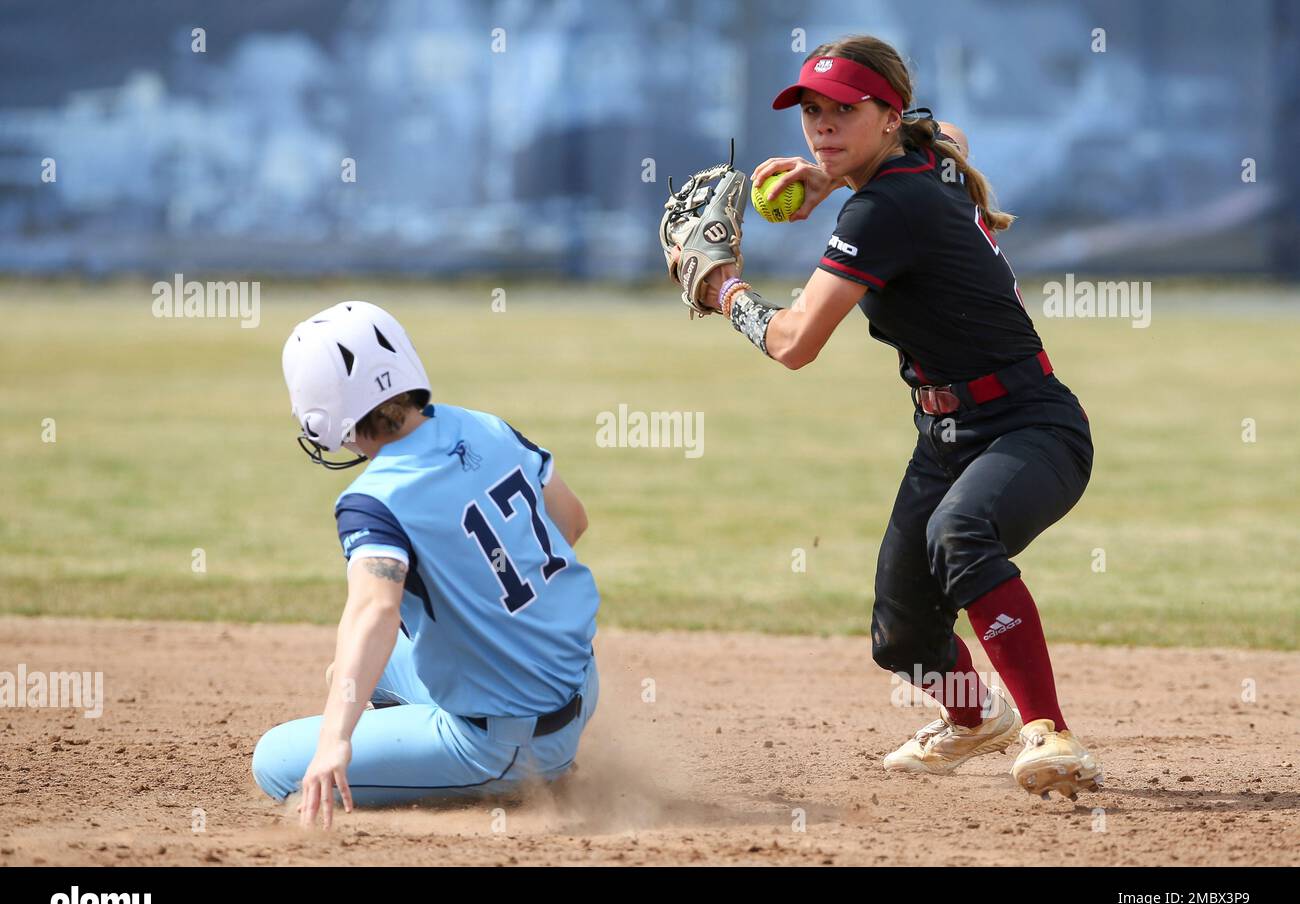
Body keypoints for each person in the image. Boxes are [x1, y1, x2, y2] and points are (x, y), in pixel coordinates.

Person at [685, 35, 1101, 799]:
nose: (822, 125)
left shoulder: (887, 207)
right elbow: (950, 137)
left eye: (844, 110)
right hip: (944, 436)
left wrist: (722, 291)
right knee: (903, 636)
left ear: (887, 114)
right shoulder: (925, 158)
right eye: (813, 112)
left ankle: (1050, 732)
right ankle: (976, 720)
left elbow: (795, 343)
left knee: (961, 534)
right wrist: (829, 175)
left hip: (1032, 428)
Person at [252, 301, 600, 826]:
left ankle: (495, 782)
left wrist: (334, 742)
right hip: (579, 683)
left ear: (320, 411)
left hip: (507, 740)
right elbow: (572, 522)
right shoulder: (485, 425)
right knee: (347, 673)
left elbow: (375, 614)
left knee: (277, 763)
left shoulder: (373, 498)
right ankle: (445, 742)